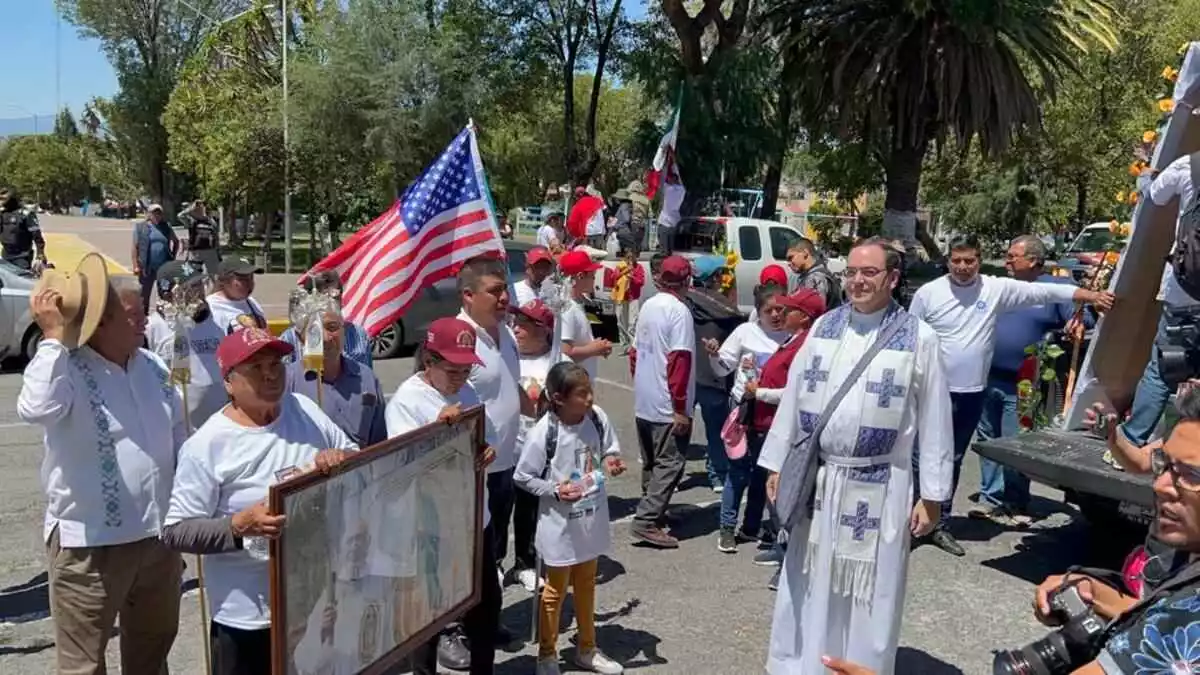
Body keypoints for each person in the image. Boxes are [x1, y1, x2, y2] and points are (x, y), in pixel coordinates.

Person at [758, 237, 954, 674]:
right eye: (851, 272)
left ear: (893, 278)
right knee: (808, 580)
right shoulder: (824, 327)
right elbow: (793, 397)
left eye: (869, 272)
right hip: (820, 482)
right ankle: (802, 666)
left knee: (869, 592)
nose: (857, 281)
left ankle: (860, 666)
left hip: (879, 487)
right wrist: (776, 463)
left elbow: (937, 420)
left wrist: (934, 495)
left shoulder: (919, 338)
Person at [18, 258, 186, 675]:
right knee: (82, 664)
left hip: (157, 538)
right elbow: (35, 408)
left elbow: (180, 435)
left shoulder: (154, 366)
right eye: (134, 315)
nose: (145, 322)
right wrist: (54, 338)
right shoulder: (66, 367)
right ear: (101, 321)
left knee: (152, 652)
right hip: (89, 544)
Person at [161, 328, 355, 675]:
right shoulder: (207, 445)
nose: (269, 374)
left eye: (276, 364)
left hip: (315, 605)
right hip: (248, 618)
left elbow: (356, 458)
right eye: (255, 368)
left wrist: (338, 458)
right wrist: (238, 526)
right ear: (229, 382)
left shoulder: (304, 407)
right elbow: (176, 532)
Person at [907, 234, 1114, 557]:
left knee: (954, 458)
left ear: (978, 260)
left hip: (971, 392)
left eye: (970, 261)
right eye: (956, 261)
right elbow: (909, 337)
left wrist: (1090, 295)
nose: (962, 267)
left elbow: (1045, 290)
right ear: (947, 261)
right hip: (931, 390)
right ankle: (911, 520)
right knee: (920, 456)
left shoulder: (994, 288)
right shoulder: (928, 293)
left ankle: (939, 523)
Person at [1024, 386, 1200, 675]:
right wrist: (1097, 591)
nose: (1160, 485)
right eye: (1166, 465)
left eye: (1191, 475)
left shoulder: (1189, 618)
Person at [384, 316, 501, 675]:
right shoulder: (408, 400)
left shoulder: (466, 391)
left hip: (472, 515)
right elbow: (403, 466)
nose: (461, 379)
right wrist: (438, 429)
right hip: (430, 523)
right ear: (429, 362)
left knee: (486, 602)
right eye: (453, 371)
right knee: (430, 612)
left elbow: (488, 432)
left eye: (467, 371)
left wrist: (487, 448)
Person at [970, 234, 1092, 526]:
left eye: (1014, 255)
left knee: (1015, 443)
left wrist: (1079, 320)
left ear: (1034, 260)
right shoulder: (1002, 287)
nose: (1008, 260)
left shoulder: (1055, 287)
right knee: (989, 439)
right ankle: (991, 498)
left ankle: (1015, 501)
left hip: (1024, 382)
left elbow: (1084, 317)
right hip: (988, 377)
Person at [515, 362, 627, 675]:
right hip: (559, 527)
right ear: (558, 398)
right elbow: (523, 476)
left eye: (590, 390)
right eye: (582, 394)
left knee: (587, 585)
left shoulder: (597, 417)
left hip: (589, 521)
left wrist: (612, 460)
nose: (590, 398)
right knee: (554, 593)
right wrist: (553, 489)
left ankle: (587, 649)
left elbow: (609, 450)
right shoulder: (545, 433)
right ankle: (547, 654)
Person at [455, 257, 523, 651]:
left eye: (504, 289)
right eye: (494, 291)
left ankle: (485, 619)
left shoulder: (504, 334)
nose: (503, 297)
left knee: (494, 551)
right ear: (468, 295)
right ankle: (455, 630)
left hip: (504, 463)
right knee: (464, 559)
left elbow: (507, 390)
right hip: (470, 471)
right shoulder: (457, 337)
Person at [744, 288, 827, 586]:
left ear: (803, 317)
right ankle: (781, 550)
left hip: (786, 426)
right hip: (770, 422)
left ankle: (790, 561)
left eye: (788, 309)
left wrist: (760, 392)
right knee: (773, 492)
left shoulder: (807, 346)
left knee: (787, 493)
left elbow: (797, 393)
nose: (781, 314)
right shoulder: (793, 340)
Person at [1119, 152, 1200, 451]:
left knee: (1163, 369)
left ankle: (1131, 441)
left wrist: (1144, 174)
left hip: (1184, 292)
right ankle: (1189, 448)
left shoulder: (1189, 165)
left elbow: (1155, 195)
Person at [704, 283, 791, 553]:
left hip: (776, 413)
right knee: (739, 471)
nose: (776, 315)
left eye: (780, 309)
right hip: (744, 411)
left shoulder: (792, 336)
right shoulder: (745, 332)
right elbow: (722, 368)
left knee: (763, 473)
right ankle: (727, 529)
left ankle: (751, 527)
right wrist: (714, 355)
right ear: (758, 312)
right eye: (769, 311)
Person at [629, 254, 696, 548]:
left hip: (645, 397)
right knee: (670, 463)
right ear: (686, 281)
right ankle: (646, 520)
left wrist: (642, 382)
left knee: (652, 462)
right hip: (666, 403)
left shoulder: (648, 306)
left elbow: (634, 354)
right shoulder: (679, 312)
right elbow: (678, 361)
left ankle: (653, 511)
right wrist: (680, 408)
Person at [511, 299, 565, 592]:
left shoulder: (557, 364)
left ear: (544, 330)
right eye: (515, 323)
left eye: (524, 324)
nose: (516, 329)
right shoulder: (507, 356)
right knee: (497, 508)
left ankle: (526, 563)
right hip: (506, 448)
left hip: (539, 454)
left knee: (529, 511)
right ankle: (493, 562)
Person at [287, 305, 387, 447]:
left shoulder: (366, 378)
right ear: (301, 338)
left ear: (344, 331)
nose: (326, 338)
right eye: (314, 330)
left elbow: (379, 444)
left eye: (332, 327)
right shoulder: (287, 383)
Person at [147, 260, 228, 427]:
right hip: (176, 425)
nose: (199, 291)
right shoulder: (152, 328)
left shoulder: (219, 320)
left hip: (219, 422)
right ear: (169, 293)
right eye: (191, 287)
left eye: (200, 284)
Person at [687, 254, 744, 494]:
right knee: (716, 430)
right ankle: (718, 475)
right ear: (715, 277)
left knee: (680, 428)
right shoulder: (726, 309)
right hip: (714, 376)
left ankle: (670, 473)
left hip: (687, 376)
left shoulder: (684, 302)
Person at [280, 270, 373, 369]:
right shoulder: (289, 339)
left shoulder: (359, 336)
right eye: (323, 298)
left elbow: (368, 379)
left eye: (334, 297)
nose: (330, 304)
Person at [559, 249, 613, 380]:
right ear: (580, 276)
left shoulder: (584, 302)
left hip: (584, 377)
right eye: (592, 275)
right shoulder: (567, 309)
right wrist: (594, 349)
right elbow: (565, 353)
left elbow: (589, 335)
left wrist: (601, 346)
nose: (594, 279)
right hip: (572, 383)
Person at [131, 203, 180, 312]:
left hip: (163, 268)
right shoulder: (141, 227)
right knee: (144, 295)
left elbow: (176, 241)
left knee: (165, 293)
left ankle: (164, 317)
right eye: (154, 213)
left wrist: (172, 256)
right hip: (146, 268)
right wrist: (135, 266)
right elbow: (135, 247)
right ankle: (144, 318)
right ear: (149, 214)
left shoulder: (166, 227)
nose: (157, 216)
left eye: (159, 213)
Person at [207, 257, 268, 334]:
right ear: (224, 281)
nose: (249, 283)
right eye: (242, 279)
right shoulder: (211, 308)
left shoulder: (252, 302)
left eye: (251, 278)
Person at [604, 247, 646, 351]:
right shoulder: (620, 266)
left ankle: (633, 346)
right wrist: (624, 271)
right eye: (628, 257)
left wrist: (633, 278)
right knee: (620, 321)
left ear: (636, 257)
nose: (630, 259)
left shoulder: (639, 267)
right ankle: (624, 344)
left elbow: (641, 282)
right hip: (621, 297)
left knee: (632, 322)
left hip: (633, 297)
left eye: (632, 257)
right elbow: (613, 277)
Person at [785, 238, 842, 311]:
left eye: (791, 258)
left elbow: (811, 313)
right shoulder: (816, 273)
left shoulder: (815, 278)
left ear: (805, 253)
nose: (789, 264)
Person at [0, 187, 48, 271]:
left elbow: (37, 235)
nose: (1, 202)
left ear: (12, 199)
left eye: (3, 199)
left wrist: (40, 254)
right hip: (6, 255)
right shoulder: (2, 214)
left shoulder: (26, 214)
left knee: (20, 282)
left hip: (22, 257)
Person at [179, 199, 221, 271]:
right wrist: (191, 208)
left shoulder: (211, 221)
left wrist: (218, 253)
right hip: (195, 253)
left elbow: (216, 238)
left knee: (214, 275)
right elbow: (180, 216)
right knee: (193, 276)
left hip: (210, 252)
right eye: (198, 207)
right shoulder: (191, 220)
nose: (200, 209)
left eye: (202, 206)